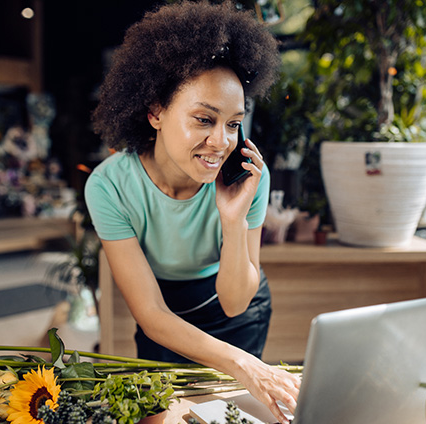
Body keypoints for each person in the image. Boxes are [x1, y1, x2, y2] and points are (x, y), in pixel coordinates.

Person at [85, 1, 300, 422]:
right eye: (204, 119)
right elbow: (151, 315)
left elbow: (237, 301)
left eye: (233, 123)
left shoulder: (247, 176)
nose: (221, 142)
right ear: (156, 113)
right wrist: (245, 366)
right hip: (165, 318)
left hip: (236, 317)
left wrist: (232, 219)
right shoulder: (110, 186)